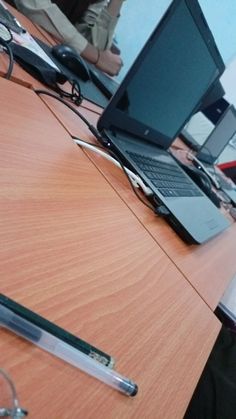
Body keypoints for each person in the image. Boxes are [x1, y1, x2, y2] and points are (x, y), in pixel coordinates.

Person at [14, 0, 126, 76]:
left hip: (39, 51)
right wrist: (97, 57)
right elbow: (35, 7)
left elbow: (95, 44)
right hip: (10, 28)